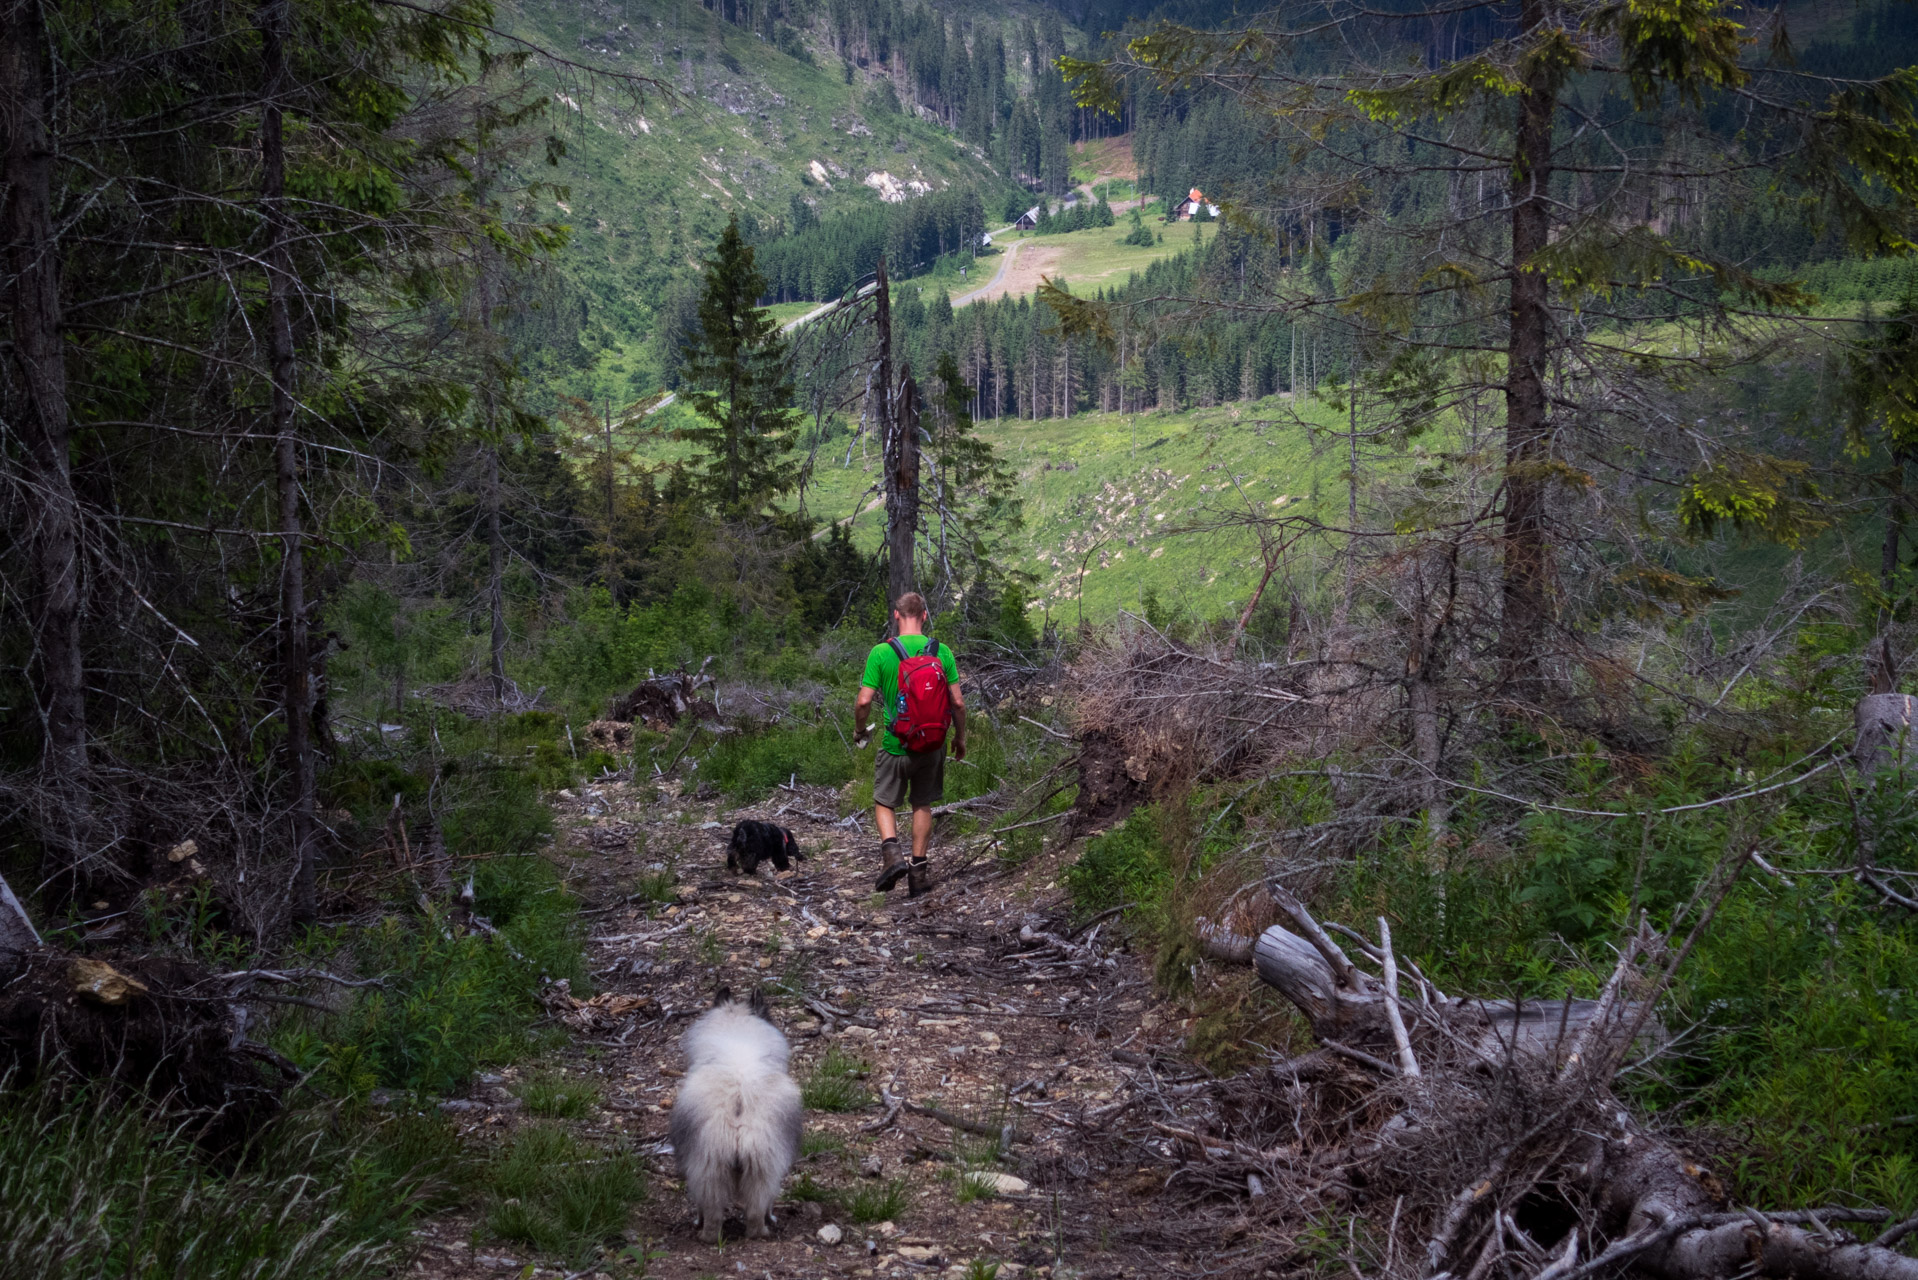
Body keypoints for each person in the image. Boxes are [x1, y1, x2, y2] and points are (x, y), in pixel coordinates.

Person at [853, 592, 965, 897]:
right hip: (932, 746)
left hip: (895, 744)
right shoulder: (942, 652)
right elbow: (957, 703)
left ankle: (892, 856)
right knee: (922, 803)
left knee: (884, 801)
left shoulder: (881, 652)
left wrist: (860, 730)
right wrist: (960, 737)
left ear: (896, 616)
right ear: (925, 616)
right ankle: (918, 875)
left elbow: (864, 701)